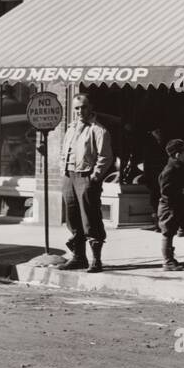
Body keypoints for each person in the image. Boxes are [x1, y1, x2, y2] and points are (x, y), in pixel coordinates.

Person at [61, 93, 114, 273]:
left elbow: (106, 157)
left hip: (85, 177)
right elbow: (64, 151)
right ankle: (78, 257)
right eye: (76, 108)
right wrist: (64, 170)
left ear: (90, 107)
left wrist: (94, 177)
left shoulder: (98, 130)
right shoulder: (70, 128)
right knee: (72, 217)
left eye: (83, 107)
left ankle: (96, 260)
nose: (80, 111)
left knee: (90, 219)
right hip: (69, 176)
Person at [156, 139, 184, 271]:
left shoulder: (178, 167)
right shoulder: (171, 169)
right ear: (177, 155)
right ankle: (167, 261)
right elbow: (165, 190)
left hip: (173, 206)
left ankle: (170, 259)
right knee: (167, 233)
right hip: (169, 207)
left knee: (170, 232)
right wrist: (182, 191)